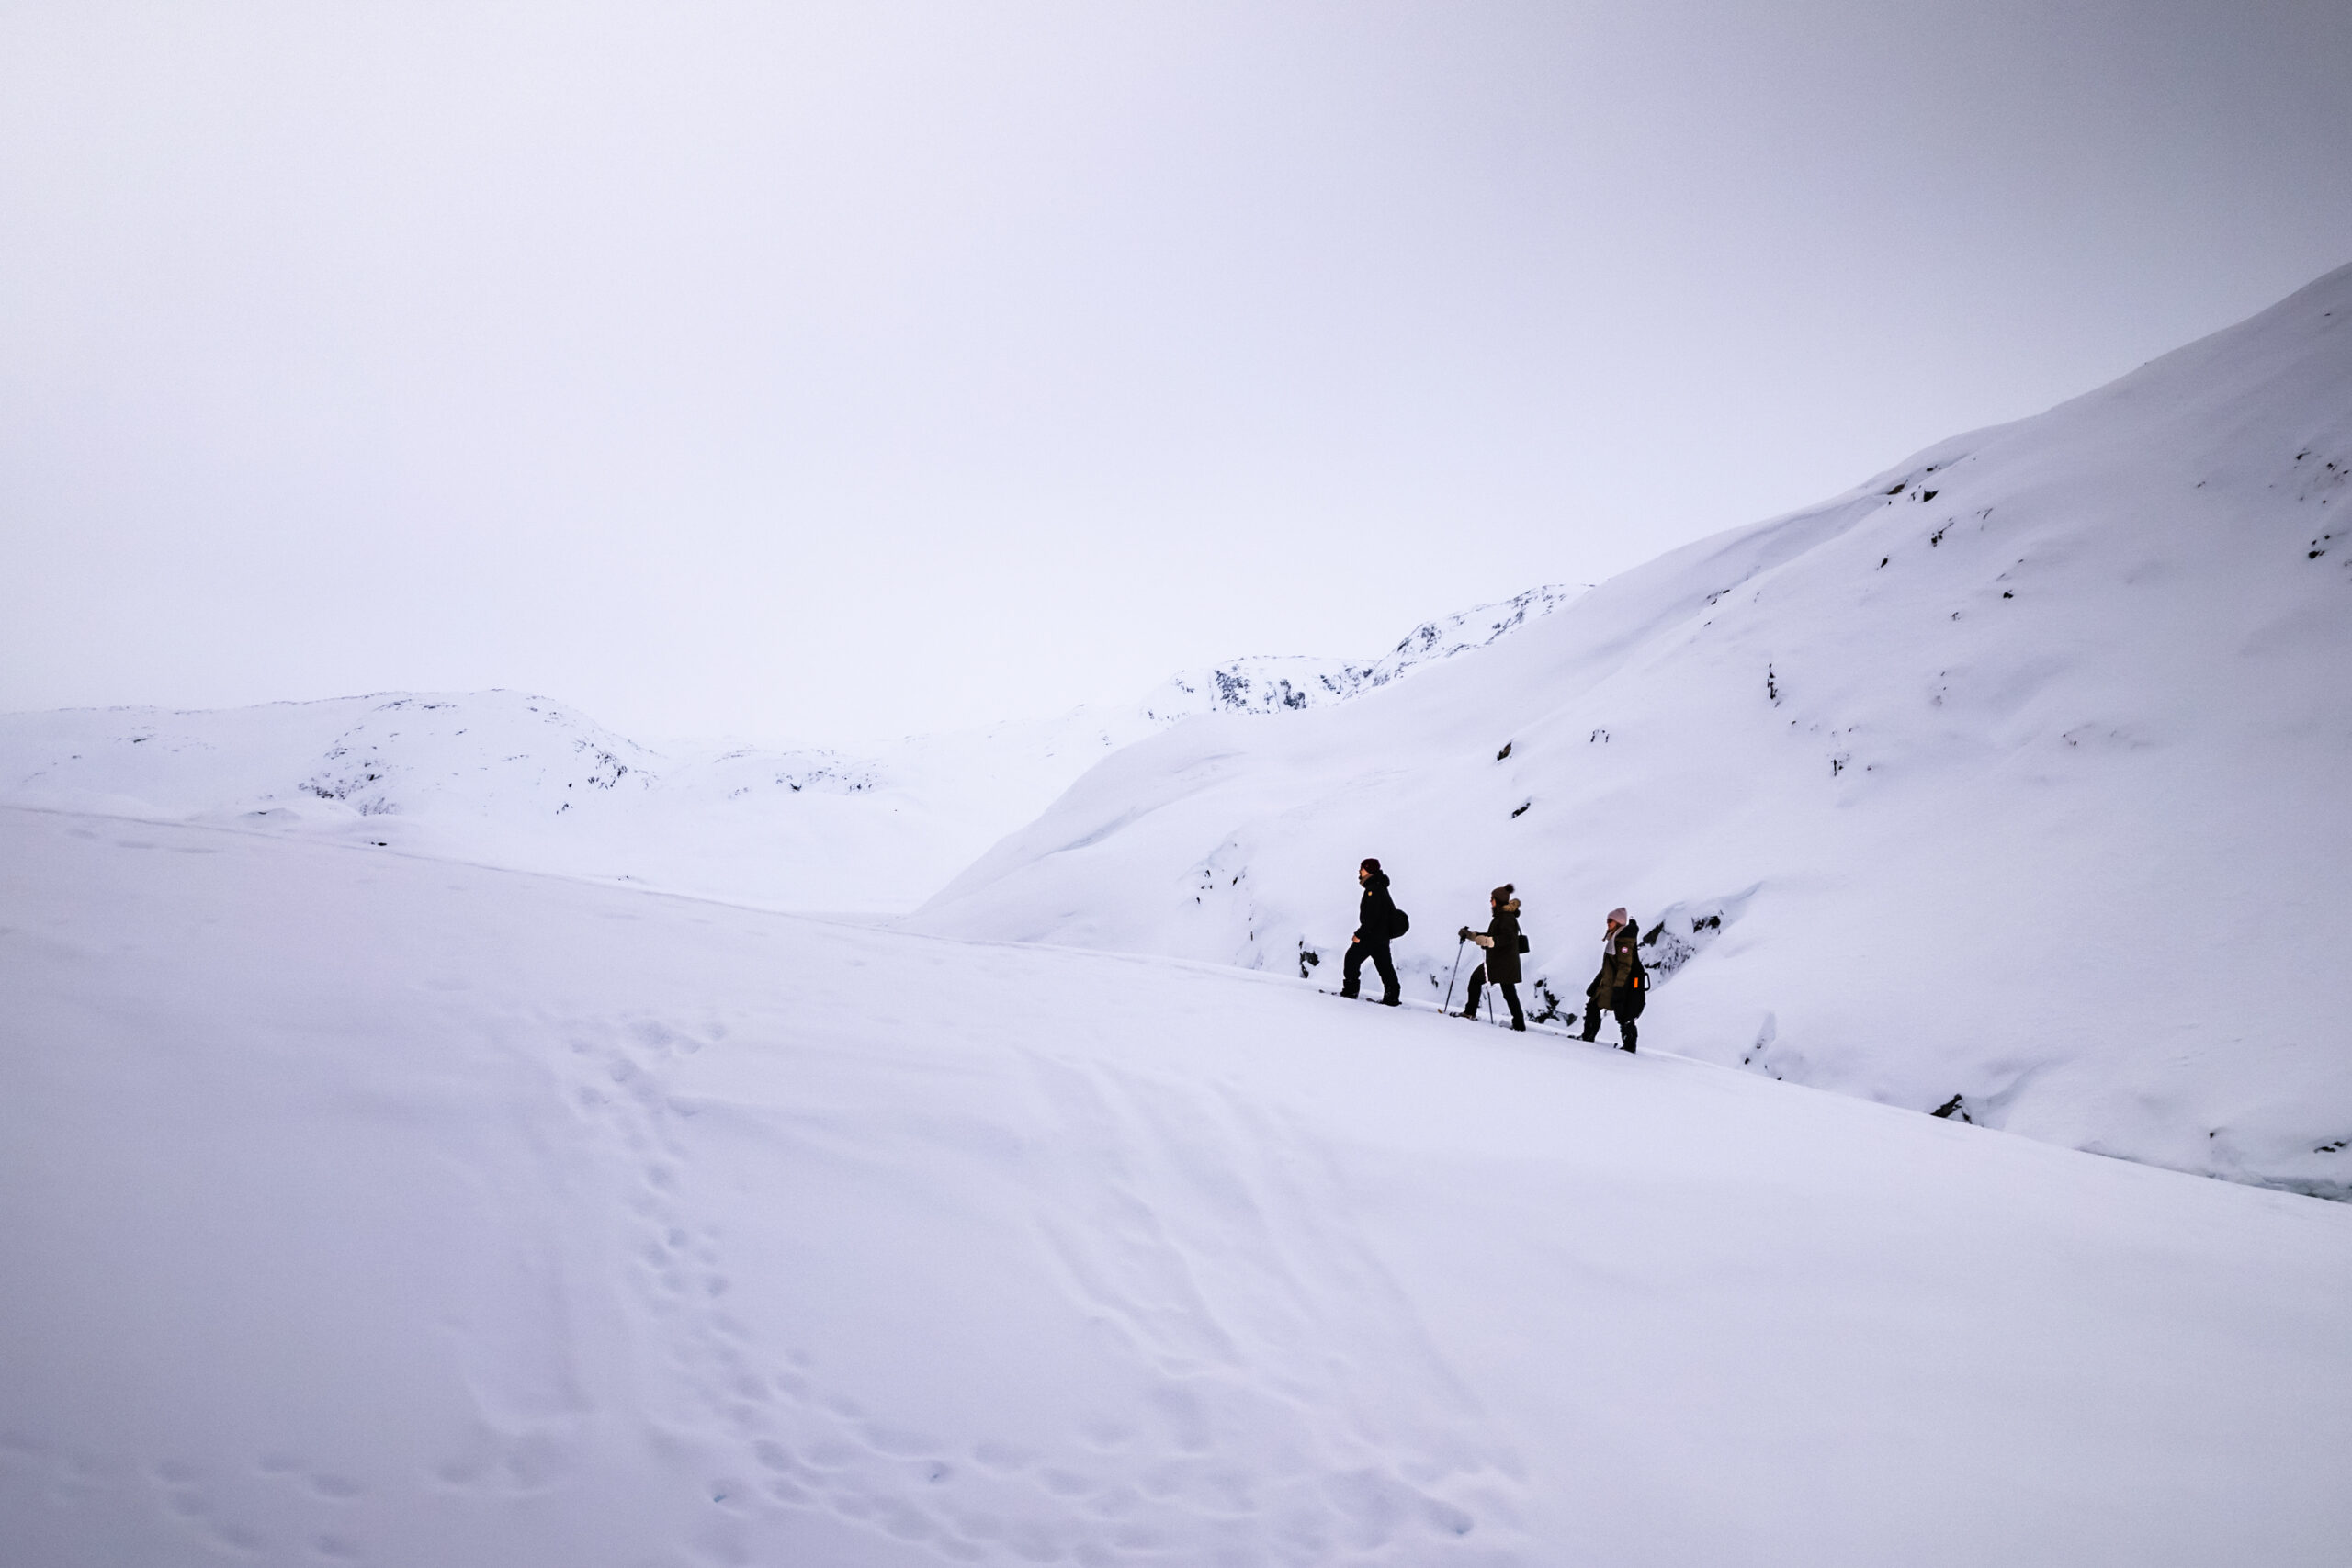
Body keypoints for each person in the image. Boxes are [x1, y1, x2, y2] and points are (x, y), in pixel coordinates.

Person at [1458, 884, 1526, 1031]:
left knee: (1476, 980)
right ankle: (1519, 1024)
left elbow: (1507, 938)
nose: (1490, 901)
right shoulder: (1503, 916)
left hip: (1501, 962)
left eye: (1492, 899)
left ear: (1498, 901)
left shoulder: (1506, 917)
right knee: (1509, 992)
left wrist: (1489, 941)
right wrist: (1473, 936)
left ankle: (1470, 1012)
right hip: (1504, 961)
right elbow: (1497, 935)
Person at [1580, 907, 1644, 1052]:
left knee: (1624, 1016)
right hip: (1608, 984)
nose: (1607, 923)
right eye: (1607, 920)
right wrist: (1596, 983)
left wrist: (1618, 988)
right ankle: (1588, 1036)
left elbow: (1624, 967)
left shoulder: (1623, 942)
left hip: (1616, 986)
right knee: (1594, 1007)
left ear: (1619, 922)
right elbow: (1608, 967)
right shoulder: (1616, 938)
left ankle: (1628, 1047)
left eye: (1611, 920)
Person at [1340, 857, 1403, 1006]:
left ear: (1368, 870)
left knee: (1351, 959)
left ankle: (1350, 991)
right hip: (1381, 936)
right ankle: (1392, 996)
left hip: (1371, 936)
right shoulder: (1379, 887)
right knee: (1385, 967)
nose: (1359, 872)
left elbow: (1371, 917)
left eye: (1361, 869)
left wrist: (1359, 935)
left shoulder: (1373, 890)